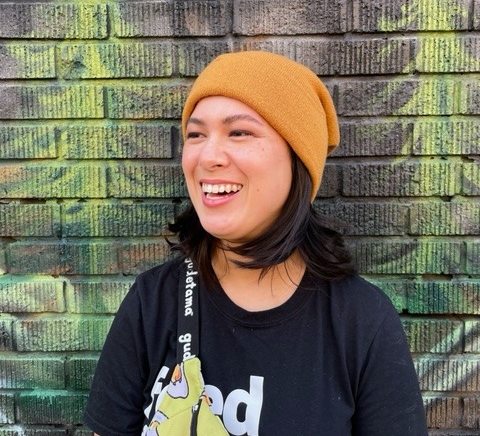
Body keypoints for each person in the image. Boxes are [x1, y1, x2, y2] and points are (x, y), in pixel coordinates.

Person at [84, 51, 428, 436]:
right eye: (195, 135)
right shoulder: (152, 302)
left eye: (239, 133)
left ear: (298, 159)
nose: (208, 156)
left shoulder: (361, 321)